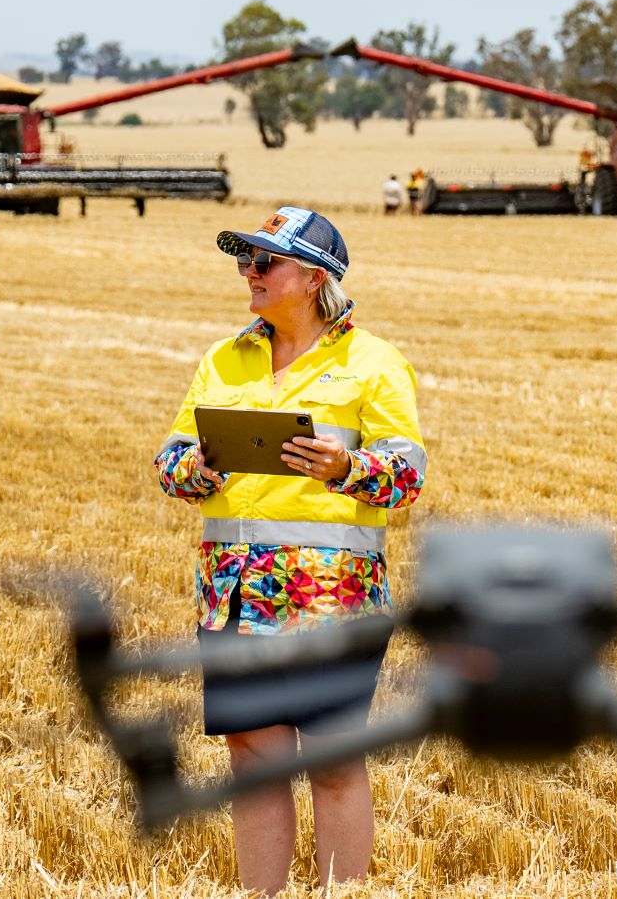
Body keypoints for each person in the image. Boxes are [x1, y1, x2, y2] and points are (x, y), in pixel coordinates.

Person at [153, 206, 426, 896]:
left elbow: (408, 476)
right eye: (245, 259)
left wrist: (346, 468)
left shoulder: (374, 363)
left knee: (333, 762)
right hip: (234, 591)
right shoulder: (223, 358)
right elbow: (171, 455)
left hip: (333, 594)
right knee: (254, 760)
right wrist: (193, 469)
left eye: (264, 261)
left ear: (312, 276)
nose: (249, 272)